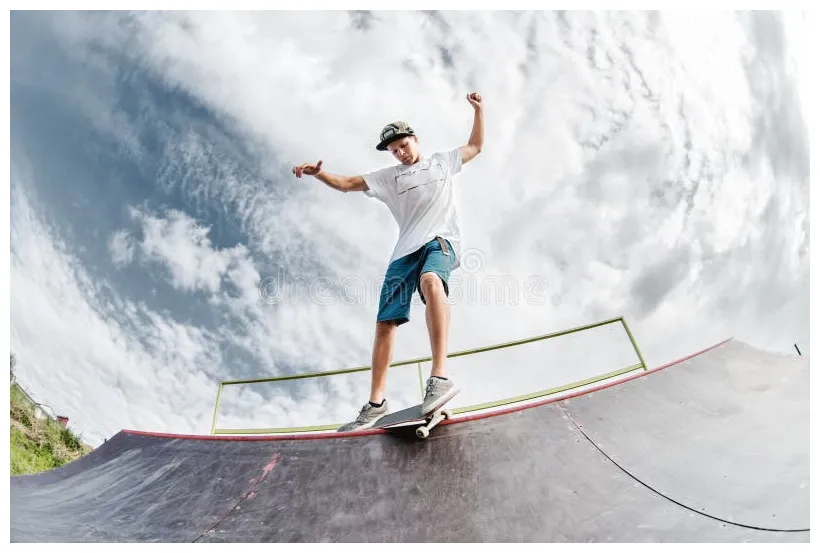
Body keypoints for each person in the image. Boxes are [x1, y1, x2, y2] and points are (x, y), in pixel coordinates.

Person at [292, 92, 484, 431]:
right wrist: (319, 175)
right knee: (385, 323)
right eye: (394, 150)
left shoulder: (442, 161)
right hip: (403, 253)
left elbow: (476, 146)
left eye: (403, 145)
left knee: (431, 282)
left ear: (415, 139)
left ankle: (439, 377)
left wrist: (479, 111)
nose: (400, 152)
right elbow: (348, 184)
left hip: (440, 242)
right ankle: (376, 403)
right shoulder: (388, 177)